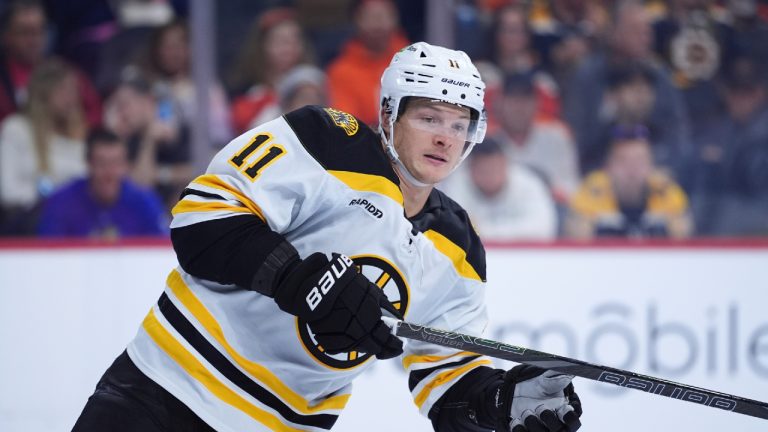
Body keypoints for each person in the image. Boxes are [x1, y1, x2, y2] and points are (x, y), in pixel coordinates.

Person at [72, 42, 583, 432]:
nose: (445, 137)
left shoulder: (460, 244)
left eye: (459, 123)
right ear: (389, 115)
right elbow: (199, 221)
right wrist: (298, 278)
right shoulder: (326, 141)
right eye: (428, 117)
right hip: (164, 394)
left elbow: (445, 378)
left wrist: (500, 403)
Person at [0, 58, 87, 234]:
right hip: (29, 221)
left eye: (73, 91)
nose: (71, 98)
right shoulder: (17, 129)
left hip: (79, 220)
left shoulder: (82, 135)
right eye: (63, 90)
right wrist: (53, 196)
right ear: (43, 93)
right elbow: (8, 191)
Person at [566, 124, 692, 239]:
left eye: (640, 161)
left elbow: (683, 233)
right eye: (623, 161)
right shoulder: (594, 187)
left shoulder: (663, 187)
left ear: (651, 166)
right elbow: (577, 235)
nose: (632, 170)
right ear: (608, 167)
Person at [37, 127, 168, 238]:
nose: (109, 172)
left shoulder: (145, 202)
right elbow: (47, 255)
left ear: (125, 165)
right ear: (89, 164)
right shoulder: (61, 203)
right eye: (101, 163)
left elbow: (162, 250)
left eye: (116, 163)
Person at [442, 137, 558, 241]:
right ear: (470, 169)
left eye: (495, 168)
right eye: (483, 170)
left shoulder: (529, 183)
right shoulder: (456, 184)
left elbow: (544, 228)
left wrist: (484, 231)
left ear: (506, 164)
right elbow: (454, 230)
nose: (490, 176)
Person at [326, 0, 409, 126]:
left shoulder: (413, 62)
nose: (378, 23)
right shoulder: (341, 71)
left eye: (383, 15)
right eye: (370, 16)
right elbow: (346, 124)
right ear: (356, 20)